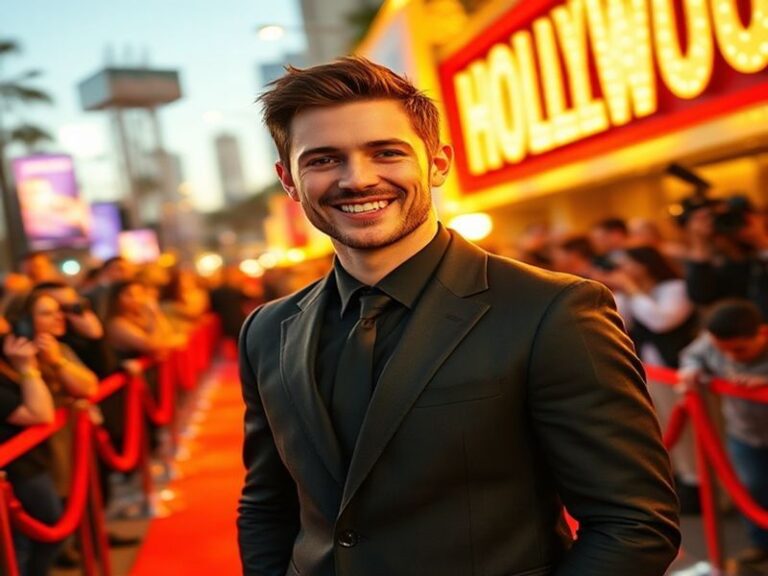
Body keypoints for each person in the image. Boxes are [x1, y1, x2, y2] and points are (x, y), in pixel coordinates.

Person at [238, 57, 680, 576]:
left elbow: (634, 521)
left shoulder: (553, 310)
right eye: (323, 160)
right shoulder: (266, 330)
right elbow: (267, 505)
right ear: (288, 180)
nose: (357, 179)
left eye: (386, 153)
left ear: (439, 163)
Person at [679, 299, 768, 571]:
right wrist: (691, 369)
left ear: (762, 333)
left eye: (739, 349)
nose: (730, 357)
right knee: (751, 489)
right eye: (722, 350)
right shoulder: (711, 341)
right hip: (744, 434)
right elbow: (691, 356)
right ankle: (760, 546)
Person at [0, 324, 60, 576]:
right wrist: (27, 368)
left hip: (27, 461)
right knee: (29, 538)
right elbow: (41, 413)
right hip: (17, 467)